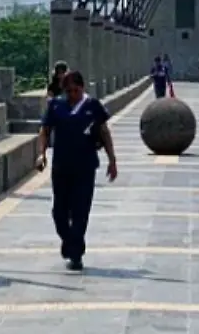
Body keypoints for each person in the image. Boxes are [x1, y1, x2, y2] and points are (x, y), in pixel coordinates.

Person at [34, 69, 118, 270]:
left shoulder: (92, 106)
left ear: (82, 87)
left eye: (76, 90)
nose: (72, 94)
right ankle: (70, 241)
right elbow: (45, 131)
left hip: (85, 166)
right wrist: (41, 154)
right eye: (68, 90)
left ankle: (76, 253)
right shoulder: (56, 106)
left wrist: (112, 160)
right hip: (61, 166)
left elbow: (104, 133)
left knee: (80, 211)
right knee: (59, 213)